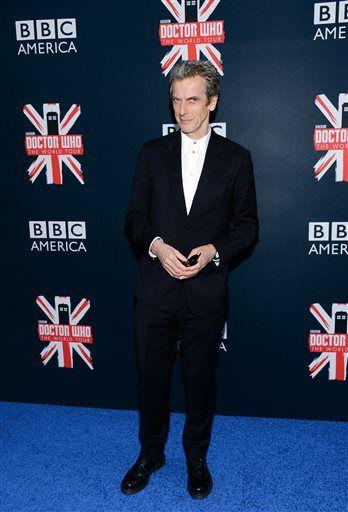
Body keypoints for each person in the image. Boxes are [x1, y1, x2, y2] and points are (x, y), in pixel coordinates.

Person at [122, 60, 259, 499]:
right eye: (177, 100)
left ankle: (195, 458)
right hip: (155, 291)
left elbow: (248, 226)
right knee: (151, 377)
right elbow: (135, 219)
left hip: (204, 291)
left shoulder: (237, 159)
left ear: (212, 102)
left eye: (193, 99)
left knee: (200, 380)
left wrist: (215, 251)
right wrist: (157, 247)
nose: (183, 109)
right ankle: (151, 453)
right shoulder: (151, 153)